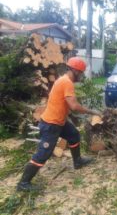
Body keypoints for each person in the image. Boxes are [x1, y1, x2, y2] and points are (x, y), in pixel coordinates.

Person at [17, 57, 101, 192]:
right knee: (44, 153)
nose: (81, 76)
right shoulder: (66, 82)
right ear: (74, 71)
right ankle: (23, 183)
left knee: (73, 135)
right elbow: (73, 106)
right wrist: (91, 111)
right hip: (51, 124)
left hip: (60, 122)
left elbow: (67, 104)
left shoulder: (63, 80)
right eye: (81, 72)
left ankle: (77, 161)